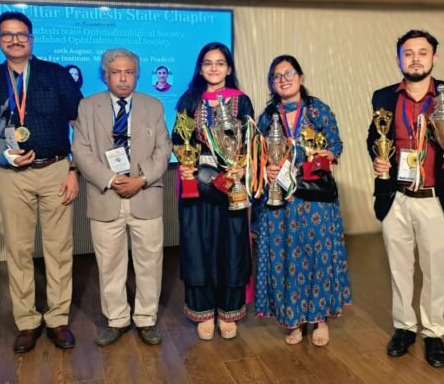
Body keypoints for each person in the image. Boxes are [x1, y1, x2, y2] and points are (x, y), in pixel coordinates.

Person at [0, 11, 83, 353]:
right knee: (18, 250)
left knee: (59, 249)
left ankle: (58, 319)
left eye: (21, 34)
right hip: (11, 176)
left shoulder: (57, 75)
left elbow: (81, 125)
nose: (14, 40)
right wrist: (3, 155)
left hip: (57, 169)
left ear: (31, 38)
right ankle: (27, 322)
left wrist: (74, 170)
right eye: (7, 35)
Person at [367, 29, 444, 368]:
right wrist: (378, 157)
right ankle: (404, 327)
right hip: (396, 197)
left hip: (435, 198)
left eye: (422, 52)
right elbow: (375, 135)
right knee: (399, 269)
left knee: (435, 271)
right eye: (408, 53)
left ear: (434, 58)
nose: (415, 58)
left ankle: (433, 333)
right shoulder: (383, 97)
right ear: (399, 59)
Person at [72, 49, 172, 347]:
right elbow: (81, 150)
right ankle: (116, 319)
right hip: (106, 195)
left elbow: (163, 149)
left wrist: (141, 178)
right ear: (105, 75)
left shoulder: (153, 106)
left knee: (150, 262)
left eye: (129, 72)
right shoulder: (88, 106)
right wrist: (111, 179)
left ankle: (146, 318)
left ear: (137, 75)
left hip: (145, 194)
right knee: (109, 264)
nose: (123, 78)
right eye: (116, 72)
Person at [254, 55, 351, 346]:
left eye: (289, 73)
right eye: (277, 76)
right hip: (280, 199)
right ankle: (292, 319)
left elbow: (336, 144)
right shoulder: (267, 116)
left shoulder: (318, 110)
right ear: (272, 83)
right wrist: (265, 168)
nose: (283, 79)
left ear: (301, 77)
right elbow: (257, 154)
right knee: (285, 257)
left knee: (316, 257)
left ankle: (320, 319)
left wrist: (328, 154)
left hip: (315, 198)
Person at [172, 42, 253, 340]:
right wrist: (185, 163)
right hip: (196, 180)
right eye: (208, 63)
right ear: (200, 68)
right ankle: (203, 310)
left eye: (220, 63)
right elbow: (178, 138)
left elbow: (251, 141)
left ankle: (229, 310)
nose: (214, 68)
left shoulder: (242, 101)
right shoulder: (189, 99)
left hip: (231, 181)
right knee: (197, 245)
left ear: (229, 68)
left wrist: (241, 167)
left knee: (231, 246)